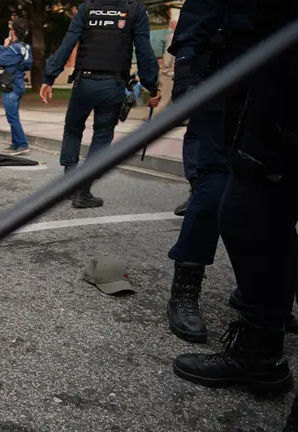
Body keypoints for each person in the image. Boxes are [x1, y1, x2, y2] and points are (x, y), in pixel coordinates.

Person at [163, 3, 298, 430]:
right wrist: (187, 72)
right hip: (249, 74)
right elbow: (203, 11)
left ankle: (266, 325)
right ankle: (258, 345)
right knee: (239, 206)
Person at [163, 0, 260, 344]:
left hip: (273, 88)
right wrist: (186, 79)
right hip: (221, 79)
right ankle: (184, 291)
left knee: (269, 196)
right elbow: (196, 22)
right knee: (214, 189)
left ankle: (257, 290)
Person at [40, 0, 161, 208]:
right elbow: (144, 50)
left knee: (73, 130)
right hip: (112, 85)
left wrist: (49, 77)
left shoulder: (87, 7)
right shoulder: (135, 9)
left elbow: (68, 43)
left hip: (83, 82)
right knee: (102, 136)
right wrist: (152, 85)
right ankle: (83, 191)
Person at [0, 18, 33, 156]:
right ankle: (15, 143)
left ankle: (22, 144)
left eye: (11, 29)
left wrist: (3, 47)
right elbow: (28, 65)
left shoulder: (12, 48)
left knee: (12, 117)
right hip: (19, 83)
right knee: (13, 115)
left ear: (13, 31)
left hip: (10, 85)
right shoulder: (26, 47)